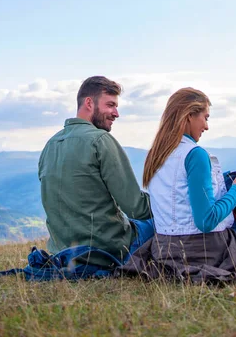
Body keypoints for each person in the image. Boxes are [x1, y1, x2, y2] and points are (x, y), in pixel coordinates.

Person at [122, 87, 236, 283]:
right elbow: (206, 221)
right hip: (200, 250)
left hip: (164, 250)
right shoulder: (195, 154)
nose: (206, 126)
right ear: (189, 116)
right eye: (205, 117)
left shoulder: (155, 154)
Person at [38, 76, 153, 266]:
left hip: (62, 252)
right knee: (156, 224)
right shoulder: (100, 141)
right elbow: (135, 208)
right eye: (110, 105)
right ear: (89, 103)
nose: (116, 113)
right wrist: (168, 205)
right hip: (106, 250)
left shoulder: (50, 145)